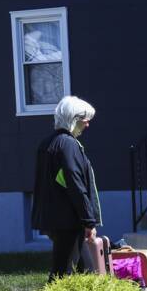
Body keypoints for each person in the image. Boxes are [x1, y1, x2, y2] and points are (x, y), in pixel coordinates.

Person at [31, 96, 101, 281]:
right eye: (85, 120)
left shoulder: (47, 143)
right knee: (61, 276)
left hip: (55, 218)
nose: (87, 125)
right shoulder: (69, 145)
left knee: (87, 274)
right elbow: (74, 183)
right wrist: (88, 220)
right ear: (74, 119)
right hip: (68, 221)